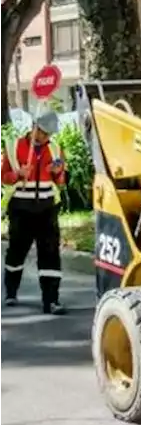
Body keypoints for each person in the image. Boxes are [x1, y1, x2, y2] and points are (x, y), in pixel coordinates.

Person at [1, 111, 66, 314]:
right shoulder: (14, 147)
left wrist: (58, 172)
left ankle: (51, 300)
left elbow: (61, 181)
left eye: (49, 134)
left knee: (50, 254)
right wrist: (18, 174)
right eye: (44, 133)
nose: (47, 138)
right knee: (16, 252)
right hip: (21, 208)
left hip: (47, 208)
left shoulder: (55, 148)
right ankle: (11, 291)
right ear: (34, 128)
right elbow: (3, 177)